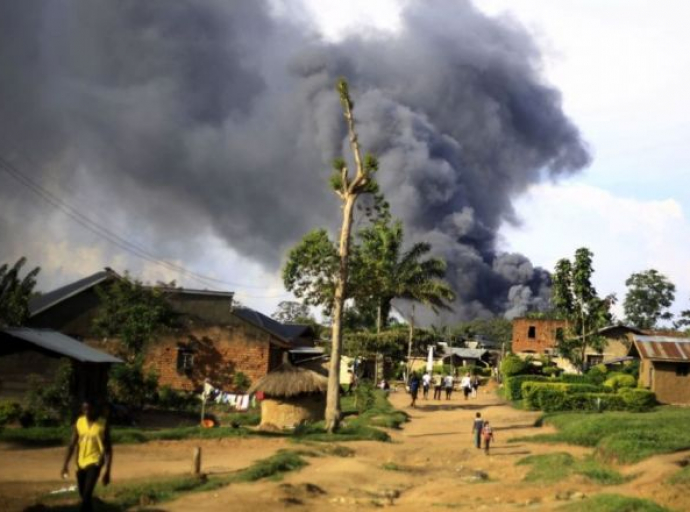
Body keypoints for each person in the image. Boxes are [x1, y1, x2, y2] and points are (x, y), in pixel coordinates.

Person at [61, 402, 112, 512]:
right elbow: (72, 445)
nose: (87, 411)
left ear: (94, 410)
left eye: (90, 409)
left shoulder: (102, 423)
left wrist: (107, 471)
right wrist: (65, 465)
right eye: (85, 409)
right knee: (84, 495)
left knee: (87, 494)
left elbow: (108, 449)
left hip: (95, 461)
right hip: (80, 463)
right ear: (82, 410)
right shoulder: (79, 422)